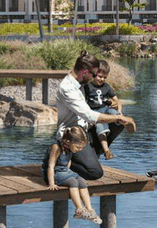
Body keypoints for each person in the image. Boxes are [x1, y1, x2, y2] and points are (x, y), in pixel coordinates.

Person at [56, 51, 136, 181]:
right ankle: (61, 162)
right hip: (72, 136)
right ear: (84, 71)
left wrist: (109, 103)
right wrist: (118, 117)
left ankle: (95, 152)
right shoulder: (68, 88)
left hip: (87, 130)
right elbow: (89, 115)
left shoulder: (80, 82)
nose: (94, 78)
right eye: (93, 74)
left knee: (118, 124)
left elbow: (94, 100)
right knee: (95, 173)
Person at [43, 126, 101, 223]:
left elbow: (68, 162)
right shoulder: (56, 147)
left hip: (64, 171)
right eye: (78, 147)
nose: (80, 149)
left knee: (82, 181)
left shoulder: (70, 148)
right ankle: (79, 209)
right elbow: (50, 166)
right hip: (53, 173)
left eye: (82, 147)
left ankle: (89, 210)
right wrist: (51, 183)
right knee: (73, 182)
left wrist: (69, 172)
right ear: (68, 141)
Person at [83, 59, 134, 160]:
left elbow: (117, 101)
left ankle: (126, 122)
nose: (102, 79)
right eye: (99, 76)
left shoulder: (106, 87)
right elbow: (83, 103)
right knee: (101, 126)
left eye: (104, 77)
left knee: (114, 113)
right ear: (93, 74)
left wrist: (119, 111)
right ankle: (107, 150)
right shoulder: (87, 87)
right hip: (95, 112)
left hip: (105, 109)